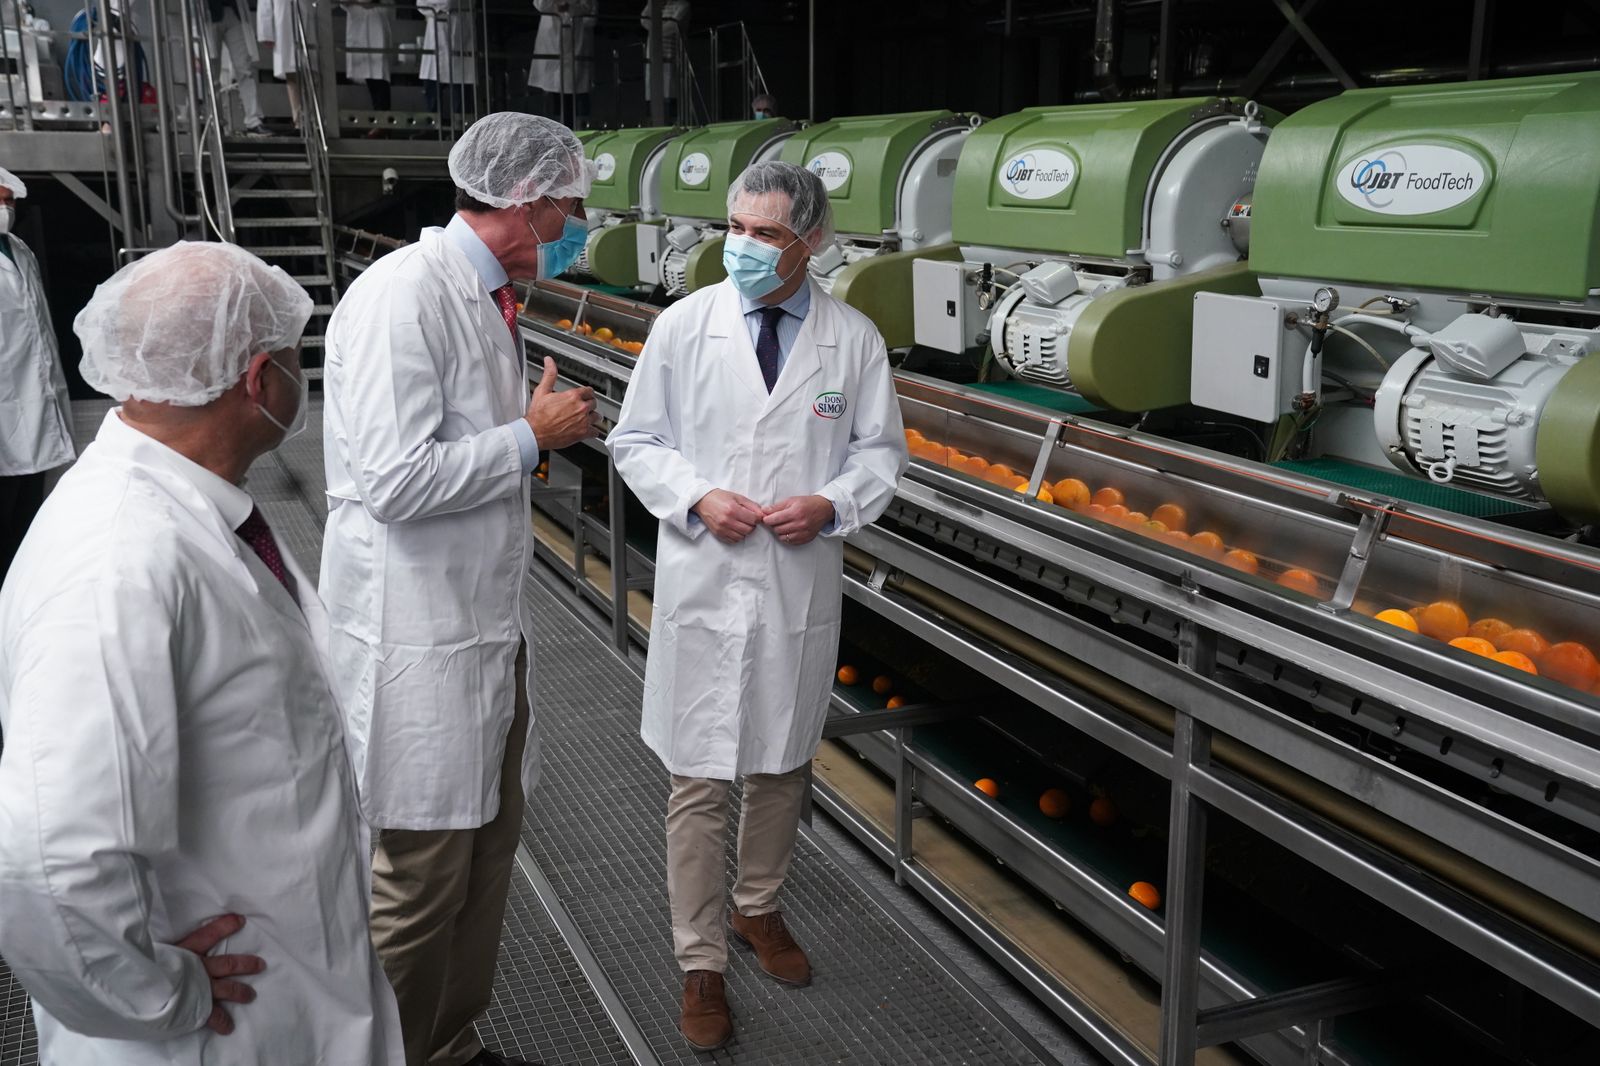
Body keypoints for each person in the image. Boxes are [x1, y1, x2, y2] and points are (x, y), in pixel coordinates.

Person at [0, 242, 403, 1065]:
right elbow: (49, 861)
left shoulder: (189, 510)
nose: (301, 382)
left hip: (281, 962)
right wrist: (156, 997)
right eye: (296, 361)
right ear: (261, 382)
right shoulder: (119, 562)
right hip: (209, 1026)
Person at [606, 160, 907, 1051]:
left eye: (767, 233)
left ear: (813, 242)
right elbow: (636, 438)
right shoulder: (685, 325)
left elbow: (880, 455)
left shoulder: (852, 341)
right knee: (698, 776)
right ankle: (699, 960)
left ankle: (757, 908)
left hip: (794, 581)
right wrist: (697, 496)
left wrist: (833, 504)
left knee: (779, 764)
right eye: (735, 227)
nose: (742, 246)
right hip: (706, 574)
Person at [321, 112, 599, 1066]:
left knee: (486, 854)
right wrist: (532, 438)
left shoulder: (488, 298)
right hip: (419, 638)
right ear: (527, 203)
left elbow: (454, 447)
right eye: (572, 207)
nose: (577, 225)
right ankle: (389, 1054)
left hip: (483, 627)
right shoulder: (408, 295)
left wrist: (521, 433)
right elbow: (396, 482)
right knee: (418, 881)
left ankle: (449, 1044)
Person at [0, 167, 73, 585]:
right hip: (7, 407)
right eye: (0, 200)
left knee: (31, 506)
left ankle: (24, 584)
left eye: (10, 201)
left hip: (38, 397)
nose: (6, 209)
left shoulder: (21, 250)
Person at [205, 0, 270, 135]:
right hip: (208, 13)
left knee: (244, 68)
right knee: (211, 73)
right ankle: (215, 120)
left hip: (233, 10)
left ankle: (253, 120)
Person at [528, 0, 595, 128]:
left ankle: (571, 129)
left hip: (574, 36)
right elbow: (540, 5)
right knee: (552, 89)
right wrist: (555, 4)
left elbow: (588, 6)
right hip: (551, 38)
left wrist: (569, 7)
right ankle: (552, 130)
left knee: (572, 90)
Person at [418, 0, 475, 125]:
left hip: (458, 30)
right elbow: (420, 3)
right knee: (432, 83)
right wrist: (440, 8)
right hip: (434, 33)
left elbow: (449, 2)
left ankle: (460, 127)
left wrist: (435, 7)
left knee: (459, 84)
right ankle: (433, 125)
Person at [255, 0, 306, 127]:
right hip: (283, 18)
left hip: (308, 12)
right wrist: (265, 31)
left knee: (312, 72)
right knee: (290, 70)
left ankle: (315, 117)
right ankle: (298, 118)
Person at [640, 1, 688, 123]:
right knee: (651, 98)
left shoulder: (682, 5)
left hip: (670, 58)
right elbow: (644, 19)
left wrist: (654, 26)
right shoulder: (657, 5)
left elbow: (671, 27)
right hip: (653, 57)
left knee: (669, 96)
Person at [343, 0, 393, 111]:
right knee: (369, 75)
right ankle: (379, 119)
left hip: (377, 22)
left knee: (379, 75)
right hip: (359, 25)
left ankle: (382, 120)